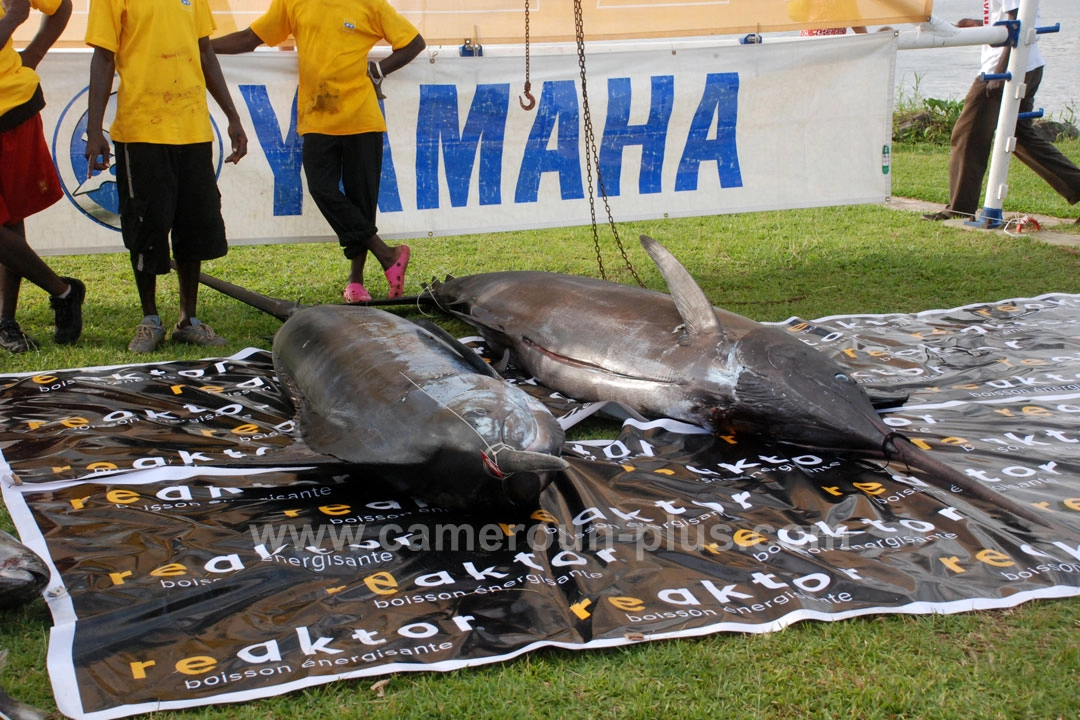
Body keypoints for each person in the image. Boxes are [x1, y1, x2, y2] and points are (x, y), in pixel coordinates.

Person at [212, 0, 423, 302]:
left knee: (361, 199)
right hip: (316, 119)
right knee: (321, 188)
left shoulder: (371, 4)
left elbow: (414, 42)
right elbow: (250, 37)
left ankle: (357, 280)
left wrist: (378, 69)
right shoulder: (292, 3)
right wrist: (203, 45)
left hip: (361, 119)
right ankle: (386, 254)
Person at [84, 0, 248, 353]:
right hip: (140, 130)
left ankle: (188, 319)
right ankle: (150, 319)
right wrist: (95, 127)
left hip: (192, 129)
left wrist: (232, 116)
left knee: (194, 225)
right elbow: (103, 57)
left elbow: (204, 50)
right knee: (146, 225)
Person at [923, 0, 1080, 223]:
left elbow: (1019, 22)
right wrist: (981, 25)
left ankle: (959, 209)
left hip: (1008, 69)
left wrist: (1001, 72)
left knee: (968, 135)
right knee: (1020, 138)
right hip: (1026, 65)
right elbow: (1010, 20)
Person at [0, 0, 85, 354]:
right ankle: (63, 290)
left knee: (12, 218)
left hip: (13, 109)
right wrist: (14, 18)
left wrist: (28, 57)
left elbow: (60, 6)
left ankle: (6, 323)